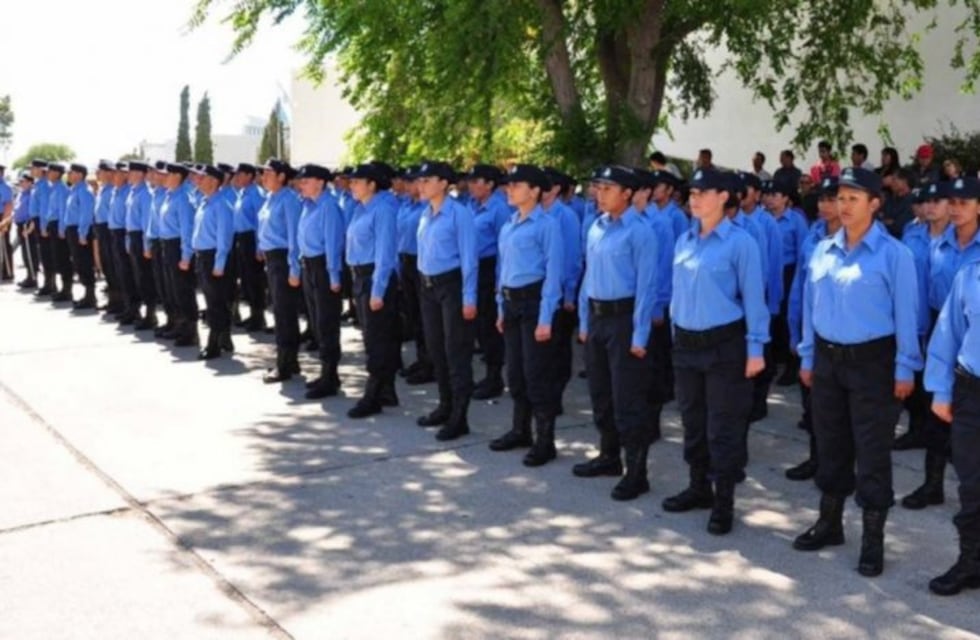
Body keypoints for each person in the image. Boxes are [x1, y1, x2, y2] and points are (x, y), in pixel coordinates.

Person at [794, 167, 922, 578]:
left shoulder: (894, 255)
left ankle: (873, 538)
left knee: (871, 450)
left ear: (875, 203)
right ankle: (830, 522)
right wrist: (808, 357)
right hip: (829, 361)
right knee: (830, 443)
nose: (843, 206)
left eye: (853, 198)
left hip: (873, 364)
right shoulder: (822, 249)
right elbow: (811, 311)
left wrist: (906, 368)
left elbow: (908, 317)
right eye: (839, 198)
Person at [662, 167, 768, 534]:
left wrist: (756, 349)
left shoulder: (741, 243)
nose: (693, 197)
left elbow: (755, 300)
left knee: (722, 425)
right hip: (687, 345)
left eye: (702, 192)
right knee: (692, 420)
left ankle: (724, 500)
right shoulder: (684, 240)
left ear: (724, 196)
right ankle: (698, 487)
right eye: (691, 191)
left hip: (724, 345)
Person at [573, 165, 659, 501]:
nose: (600, 193)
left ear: (627, 193)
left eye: (608, 188)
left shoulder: (640, 232)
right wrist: (584, 322)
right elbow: (587, 278)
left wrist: (640, 336)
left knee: (628, 399)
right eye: (598, 188)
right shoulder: (596, 227)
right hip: (596, 318)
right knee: (601, 393)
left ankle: (637, 471)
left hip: (623, 320)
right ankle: (609, 455)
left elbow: (646, 286)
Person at [902, 177, 980, 510]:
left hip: (973, 335)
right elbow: (926, 293)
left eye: (964, 202)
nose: (956, 209)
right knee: (937, 412)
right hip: (940, 328)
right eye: (953, 202)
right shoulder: (939, 244)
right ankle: (932, 484)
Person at [488, 164, 564, 466]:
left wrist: (546, 318)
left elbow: (553, 274)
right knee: (516, 373)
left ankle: (546, 440)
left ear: (534, 191)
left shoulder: (547, 225)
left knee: (537, 375)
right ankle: (520, 430)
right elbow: (502, 271)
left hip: (534, 304)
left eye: (516, 185)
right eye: (509, 185)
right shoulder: (509, 225)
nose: (510, 189)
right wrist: (499, 307)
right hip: (511, 303)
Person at [923, 226, 980, 595]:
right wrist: (942, 390)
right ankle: (971, 561)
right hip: (971, 391)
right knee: (972, 484)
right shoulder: (971, 273)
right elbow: (948, 335)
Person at [414, 161, 478, 441]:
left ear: (443, 183)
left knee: (456, 352)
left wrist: (469, 297)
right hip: (428, 286)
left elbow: (469, 259)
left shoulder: (459, 213)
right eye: (420, 180)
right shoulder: (426, 213)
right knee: (436, 349)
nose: (421, 185)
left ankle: (459, 416)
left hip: (451, 286)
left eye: (427, 180)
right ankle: (445, 404)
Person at [785, 177, 842, 480]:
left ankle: (838, 467)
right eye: (821, 199)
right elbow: (800, 286)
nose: (824, 205)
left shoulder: (857, 238)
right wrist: (795, 330)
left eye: (832, 199)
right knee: (813, 405)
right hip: (813, 333)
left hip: (842, 337)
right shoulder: (813, 236)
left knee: (840, 412)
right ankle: (815, 458)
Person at [344, 163, 400, 418]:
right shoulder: (360, 208)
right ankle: (386, 390)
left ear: (372, 185)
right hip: (360, 276)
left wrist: (378, 290)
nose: (352, 185)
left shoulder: (384, 209)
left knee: (376, 340)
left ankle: (373, 394)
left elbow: (385, 253)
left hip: (374, 278)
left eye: (357, 181)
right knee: (374, 337)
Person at [296, 164, 346, 400]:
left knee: (327, 323)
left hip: (324, 269)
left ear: (319, 182)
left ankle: (330, 374)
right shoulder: (307, 206)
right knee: (316, 322)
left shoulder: (329, 207)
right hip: (309, 266)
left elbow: (333, 245)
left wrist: (334, 276)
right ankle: (326, 373)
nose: (301, 185)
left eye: (305, 181)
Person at [467, 164, 511, 400]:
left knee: (490, 325)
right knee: (480, 326)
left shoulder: (499, 209)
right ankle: (488, 374)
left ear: (490, 184)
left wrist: (498, 281)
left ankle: (495, 377)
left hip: (490, 268)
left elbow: (504, 248)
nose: (472, 186)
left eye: (477, 181)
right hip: (474, 268)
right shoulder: (473, 206)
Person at [541, 167, 583, 413]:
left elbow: (572, 259)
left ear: (556, 189)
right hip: (540, 291)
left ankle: (555, 395)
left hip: (560, 294)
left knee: (558, 348)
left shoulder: (565, 216)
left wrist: (568, 294)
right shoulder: (535, 214)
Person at [257, 159, 303, 382]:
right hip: (272, 258)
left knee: (284, 314)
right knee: (280, 311)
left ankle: (284, 364)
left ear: (282, 176)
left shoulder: (289, 200)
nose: (263, 177)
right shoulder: (269, 199)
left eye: (268, 173)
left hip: (284, 259)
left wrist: (294, 268)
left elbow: (295, 237)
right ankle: (290, 361)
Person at [768, 178, 810, 387]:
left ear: (786, 199)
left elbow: (803, 249)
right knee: (771, 317)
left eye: (776, 195)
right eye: (769, 195)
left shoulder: (795, 220)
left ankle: (792, 365)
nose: (771, 199)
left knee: (788, 318)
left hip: (789, 270)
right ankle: (773, 360)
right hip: (769, 271)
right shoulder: (765, 219)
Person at [191, 165, 235, 360]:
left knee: (215, 303)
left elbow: (224, 239)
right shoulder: (204, 203)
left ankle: (214, 343)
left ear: (215, 181)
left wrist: (219, 264)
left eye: (203, 177)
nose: (198, 181)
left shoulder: (221, 205)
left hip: (214, 257)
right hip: (202, 256)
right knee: (212, 301)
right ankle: (224, 337)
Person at [396, 166, 434, 385]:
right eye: (408, 182)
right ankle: (422, 359)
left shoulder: (427, 207)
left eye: (414, 182)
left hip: (421, 264)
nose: (410, 186)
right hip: (405, 261)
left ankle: (431, 363)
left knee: (425, 317)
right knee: (414, 316)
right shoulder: (406, 205)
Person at [157, 163, 199, 348]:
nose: (164, 177)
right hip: (167, 245)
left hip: (178, 247)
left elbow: (186, 230)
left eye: (168, 174)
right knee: (172, 289)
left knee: (183, 290)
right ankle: (178, 324)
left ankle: (190, 331)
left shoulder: (183, 199)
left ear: (177, 177)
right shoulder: (169, 196)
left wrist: (186, 256)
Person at [230, 163, 267, 332]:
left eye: (240, 174)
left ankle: (259, 316)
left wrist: (260, 246)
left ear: (250, 176)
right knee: (246, 279)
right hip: (241, 238)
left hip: (252, 238)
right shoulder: (242, 193)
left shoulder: (256, 194)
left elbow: (260, 221)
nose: (236, 177)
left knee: (255, 279)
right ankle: (253, 314)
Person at [124, 161, 157, 330]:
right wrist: (129, 241)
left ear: (141, 174)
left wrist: (146, 246)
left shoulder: (145, 194)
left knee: (145, 278)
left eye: (132, 172)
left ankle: (151, 314)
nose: (128, 175)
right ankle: (138, 310)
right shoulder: (133, 192)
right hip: (133, 236)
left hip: (141, 237)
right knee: (137, 277)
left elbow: (146, 223)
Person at [62, 163, 96, 309]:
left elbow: (86, 214)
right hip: (72, 229)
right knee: (78, 262)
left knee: (84, 262)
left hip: (80, 230)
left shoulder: (84, 191)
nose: (69, 175)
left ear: (80, 175)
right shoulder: (73, 190)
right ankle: (87, 294)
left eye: (72, 172)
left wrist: (82, 233)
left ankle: (90, 296)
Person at [92, 161, 120, 313]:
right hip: (100, 228)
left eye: (101, 171)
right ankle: (113, 299)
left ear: (109, 173)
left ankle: (118, 301)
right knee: (106, 265)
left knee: (113, 266)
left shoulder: (111, 191)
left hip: (109, 230)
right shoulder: (103, 189)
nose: (98, 174)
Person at [45, 163, 72, 303]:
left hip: (58, 226)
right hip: (52, 224)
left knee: (62, 258)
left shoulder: (61, 189)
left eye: (50, 171)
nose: (47, 173)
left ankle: (67, 290)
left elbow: (62, 211)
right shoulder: (54, 188)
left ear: (57, 173)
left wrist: (61, 229)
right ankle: (63, 288)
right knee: (57, 258)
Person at [880, 168, 915, 239]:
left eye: (894, 179)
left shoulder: (912, 201)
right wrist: (889, 221)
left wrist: (887, 221)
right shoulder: (890, 199)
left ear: (904, 181)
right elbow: (878, 220)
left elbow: (900, 227)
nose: (891, 183)